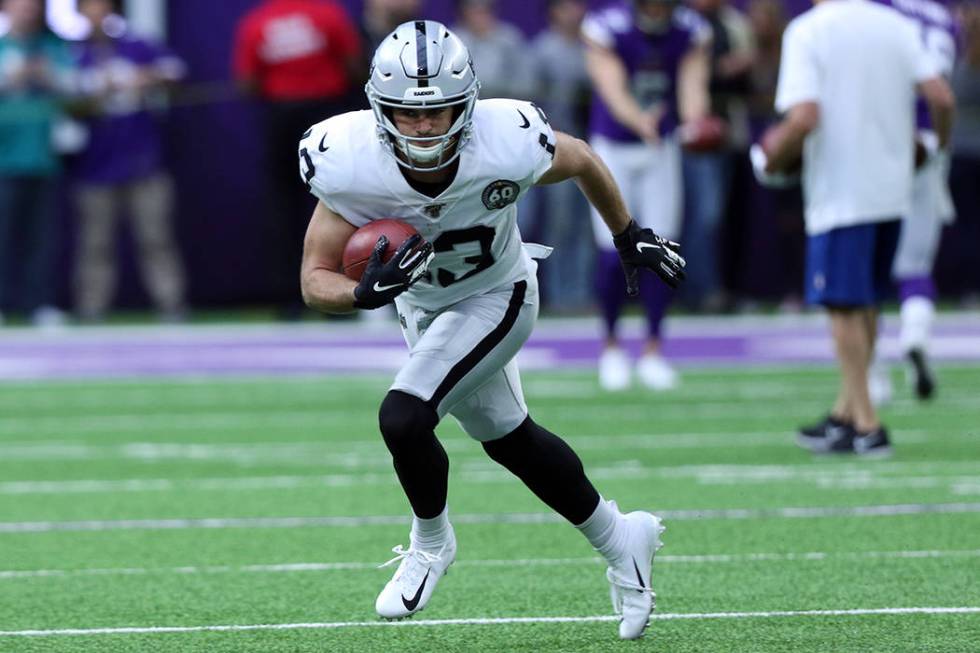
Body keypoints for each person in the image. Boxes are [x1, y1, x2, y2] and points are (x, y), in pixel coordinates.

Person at [298, 21, 686, 639]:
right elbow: (314, 278)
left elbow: (582, 156)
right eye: (407, 115)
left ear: (468, 105)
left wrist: (626, 231)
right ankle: (621, 537)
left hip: (496, 292)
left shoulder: (507, 140)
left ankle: (431, 543)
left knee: (403, 416)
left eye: (440, 112)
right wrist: (362, 293)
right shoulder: (348, 163)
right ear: (379, 111)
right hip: (422, 305)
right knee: (511, 439)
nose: (424, 127)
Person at [752, 0, 955, 456]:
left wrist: (770, 159)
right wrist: (938, 148)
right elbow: (941, 97)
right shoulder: (896, 24)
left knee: (843, 307)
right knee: (864, 303)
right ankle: (846, 412)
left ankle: (868, 422)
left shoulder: (809, 30)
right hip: (891, 188)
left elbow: (803, 117)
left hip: (842, 190)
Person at [581, 0, 711, 390]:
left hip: (660, 147)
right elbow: (611, 86)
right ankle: (611, 345)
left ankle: (654, 348)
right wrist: (640, 120)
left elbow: (692, 85)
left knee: (660, 248)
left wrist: (693, 123)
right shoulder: (607, 25)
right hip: (613, 147)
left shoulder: (690, 27)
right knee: (611, 250)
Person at [233, 0, 362, 319]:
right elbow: (354, 66)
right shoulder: (328, 12)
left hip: (283, 117)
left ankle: (289, 299)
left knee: (284, 209)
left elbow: (247, 83)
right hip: (328, 118)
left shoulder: (257, 21)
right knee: (341, 204)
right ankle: (344, 294)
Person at [71, 0, 188, 322]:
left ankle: (171, 304)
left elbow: (175, 70)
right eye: (90, 7)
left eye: (103, 6)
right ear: (80, 12)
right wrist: (93, 93)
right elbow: (64, 100)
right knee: (95, 243)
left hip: (144, 161)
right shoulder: (73, 53)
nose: (97, 13)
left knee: (156, 238)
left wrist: (144, 76)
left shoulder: (137, 46)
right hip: (95, 165)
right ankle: (90, 309)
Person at [870, 0, 960, 401]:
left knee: (862, 262)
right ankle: (914, 334)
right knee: (915, 263)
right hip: (926, 144)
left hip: (876, 140)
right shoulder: (945, 19)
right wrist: (939, 146)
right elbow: (942, 97)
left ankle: (871, 371)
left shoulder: (876, 12)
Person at [0, 0, 74, 328]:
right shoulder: (3, 49)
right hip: (4, 160)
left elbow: (76, 90)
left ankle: (39, 304)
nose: (27, 10)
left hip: (44, 159)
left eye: (32, 4)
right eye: (20, 4)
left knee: (42, 240)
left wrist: (49, 77)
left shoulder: (53, 48)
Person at [528, 0, 594, 311]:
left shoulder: (591, 47)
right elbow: (530, 102)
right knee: (560, 224)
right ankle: (558, 295)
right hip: (556, 149)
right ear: (554, 11)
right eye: (568, 6)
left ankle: (581, 294)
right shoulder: (542, 51)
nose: (576, 12)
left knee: (587, 225)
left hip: (592, 145)